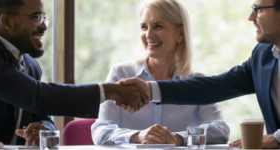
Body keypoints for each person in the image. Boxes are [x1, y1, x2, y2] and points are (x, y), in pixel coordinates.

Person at [0, 0, 148, 146]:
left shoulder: (30, 64)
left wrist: (44, 129)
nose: (44, 25)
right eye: (36, 17)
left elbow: (41, 114)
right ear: (6, 20)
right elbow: (35, 96)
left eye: (44, 17)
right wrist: (111, 91)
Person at [119, 0, 280, 149]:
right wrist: (149, 90)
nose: (250, 17)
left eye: (258, 9)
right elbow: (215, 87)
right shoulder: (263, 55)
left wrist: (277, 138)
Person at [91, 0, 230, 146]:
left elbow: (220, 130)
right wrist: (137, 136)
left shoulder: (196, 82)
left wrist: (178, 138)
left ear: (180, 33)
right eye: (144, 27)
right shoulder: (121, 74)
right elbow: (101, 130)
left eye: (158, 26)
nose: (148, 35)